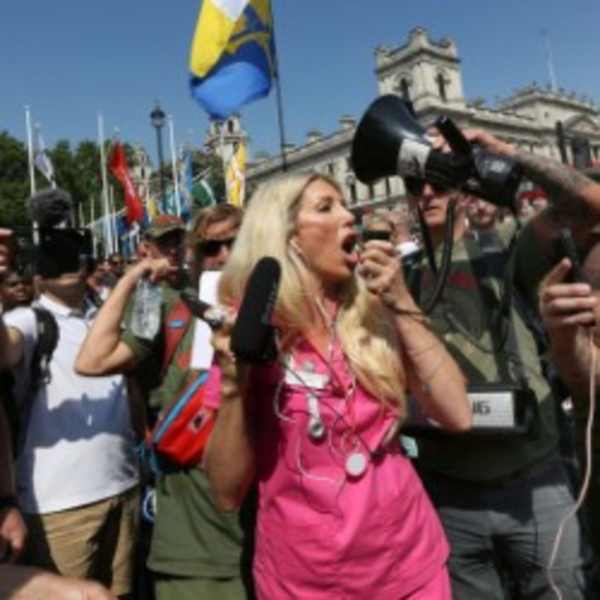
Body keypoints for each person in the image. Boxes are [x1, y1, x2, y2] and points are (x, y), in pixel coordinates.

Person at [204, 173, 471, 598]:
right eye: (327, 207)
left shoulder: (374, 308)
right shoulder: (250, 327)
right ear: (288, 236)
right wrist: (235, 385)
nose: (350, 216)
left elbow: (457, 414)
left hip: (411, 568)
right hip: (306, 583)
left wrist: (402, 304)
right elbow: (225, 492)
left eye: (346, 204)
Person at [405, 130, 600, 598]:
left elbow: (589, 206)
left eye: (439, 182)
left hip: (535, 485)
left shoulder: (507, 246)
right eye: (415, 185)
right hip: (448, 492)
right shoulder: (398, 276)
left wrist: (506, 154)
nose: (427, 193)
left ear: (462, 187)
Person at [75, 205, 250, 600]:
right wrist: (133, 278)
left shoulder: (289, 309)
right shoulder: (170, 305)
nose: (225, 256)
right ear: (194, 255)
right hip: (196, 544)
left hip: (278, 538)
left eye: (236, 244)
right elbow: (93, 361)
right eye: (211, 247)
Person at [0, 227, 139, 599]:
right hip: (61, 506)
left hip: (123, 489)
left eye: (76, 255)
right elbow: (4, 352)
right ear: (38, 275)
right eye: (57, 257)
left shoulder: (105, 315)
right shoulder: (30, 320)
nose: (71, 265)